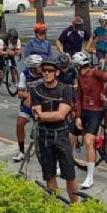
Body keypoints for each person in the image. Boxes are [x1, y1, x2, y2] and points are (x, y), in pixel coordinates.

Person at [31, 56, 79, 202]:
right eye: (44, 70)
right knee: (49, 174)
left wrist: (42, 116)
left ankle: (76, 210)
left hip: (62, 134)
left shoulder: (66, 89)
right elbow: (37, 115)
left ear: (57, 72)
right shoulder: (36, 90)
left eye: (50, 70)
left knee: (70, 174)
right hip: (44, 136)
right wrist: (47, 115)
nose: (46, 73)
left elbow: (61, 114)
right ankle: (55, 207)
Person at [73, 52, 107, 189]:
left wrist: (103, 93)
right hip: (84, 111)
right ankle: (65, 164)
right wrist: (77, 117)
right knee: (70, 136)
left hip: (96, 111)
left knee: (88, 141)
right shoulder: (80, 77)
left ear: (78, 65)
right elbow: (79, 98)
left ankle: (90, 177)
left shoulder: (95, 73)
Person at [14, 54, 44, 162]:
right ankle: (21, 151)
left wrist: (31, 94)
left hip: (42, 102)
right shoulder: (24, 74)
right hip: (28, 104)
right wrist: (27, 96)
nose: (42, 68)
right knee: (19, 123)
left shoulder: (45, 73)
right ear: (33, 68)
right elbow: (20, 93)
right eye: (39, 66)